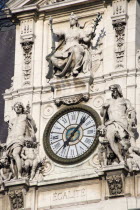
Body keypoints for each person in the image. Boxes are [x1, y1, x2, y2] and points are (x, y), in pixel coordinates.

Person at [47, 12, 101, 78]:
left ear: (76, 21)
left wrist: (91, 36)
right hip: (66, 49)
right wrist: (51, 24)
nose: (71, 20)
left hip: (76, 46)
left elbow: (85, 40)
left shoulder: (79, 31)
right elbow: (56, 33)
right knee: (53, 57)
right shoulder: (66, 30)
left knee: (76, 49)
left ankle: (75, 68)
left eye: (72, 19)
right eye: (70, 19)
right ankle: (65, 69)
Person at [100, 84, 136, 163]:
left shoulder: (125, 101)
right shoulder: (108, 101)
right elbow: (102, 114)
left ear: (118, 90)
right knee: (109, 137)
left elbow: (131, 110)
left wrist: (132, 119)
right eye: (112, 91)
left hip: (122, 122)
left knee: (123, 142)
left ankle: (123, 156)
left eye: (115, 90)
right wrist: (103, 107)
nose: (114, 92)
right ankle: (120, 158)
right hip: (111, 122)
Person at [6, 102, 37, 179]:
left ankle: (19, 174)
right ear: (14, 108)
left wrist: (30, 137)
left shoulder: (25, 116)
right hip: (11, 139)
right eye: (16, 107)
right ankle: (15, 175)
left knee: (15, 154)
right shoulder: (12, 120)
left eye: (20, 106)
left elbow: (33, 126)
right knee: (11, 157)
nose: (18, 108)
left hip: (20, 138)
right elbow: (10, 131)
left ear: (22, 108)